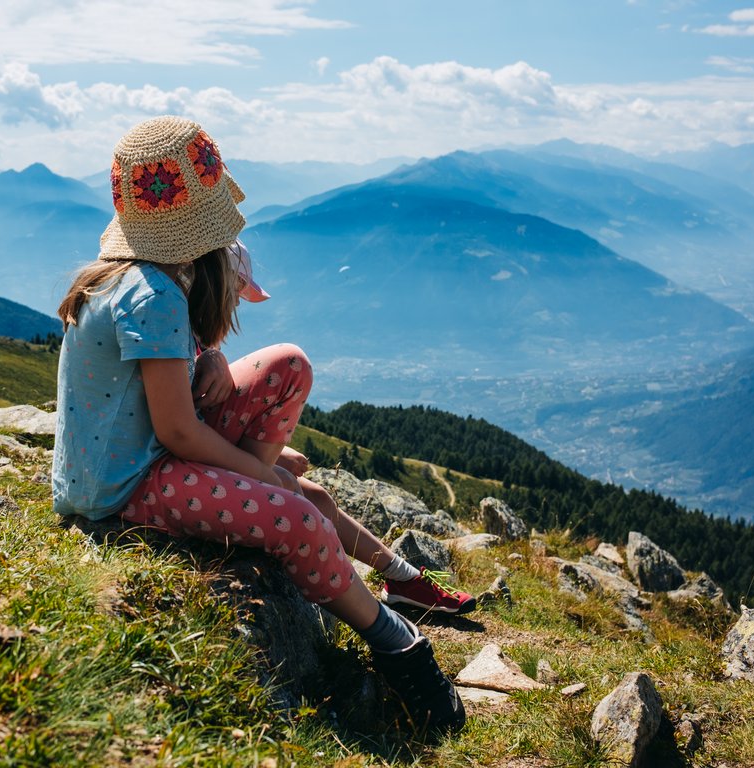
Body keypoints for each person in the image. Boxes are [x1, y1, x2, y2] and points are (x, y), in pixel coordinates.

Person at [52, 115, 471, 734]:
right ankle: (394, 640)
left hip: (149, 455)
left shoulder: (146, 278)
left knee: (287, 365)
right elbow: (177, 434)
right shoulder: (153, 293)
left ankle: (364, 565)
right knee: (299, 513)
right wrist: (267, 476)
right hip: (121, 489)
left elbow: (170, 386)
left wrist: (214, 357)